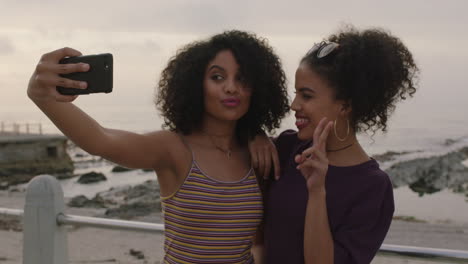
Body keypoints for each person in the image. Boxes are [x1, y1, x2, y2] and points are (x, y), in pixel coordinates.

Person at [27, 30, 289, 263]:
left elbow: (258, 242)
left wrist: (257, 133)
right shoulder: (173, 148)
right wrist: (42, 96)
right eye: (217, 77)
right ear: (196, 84)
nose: (231, 88)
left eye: (242, 79)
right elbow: (101, 139)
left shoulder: (257, 152)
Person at [249, 26, 419, 264]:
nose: (294, 105)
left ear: (345, 106)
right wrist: (252, 133)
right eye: (296, 93)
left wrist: (317, 191)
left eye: (306, 96)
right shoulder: (288, 148)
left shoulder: (372, 187)